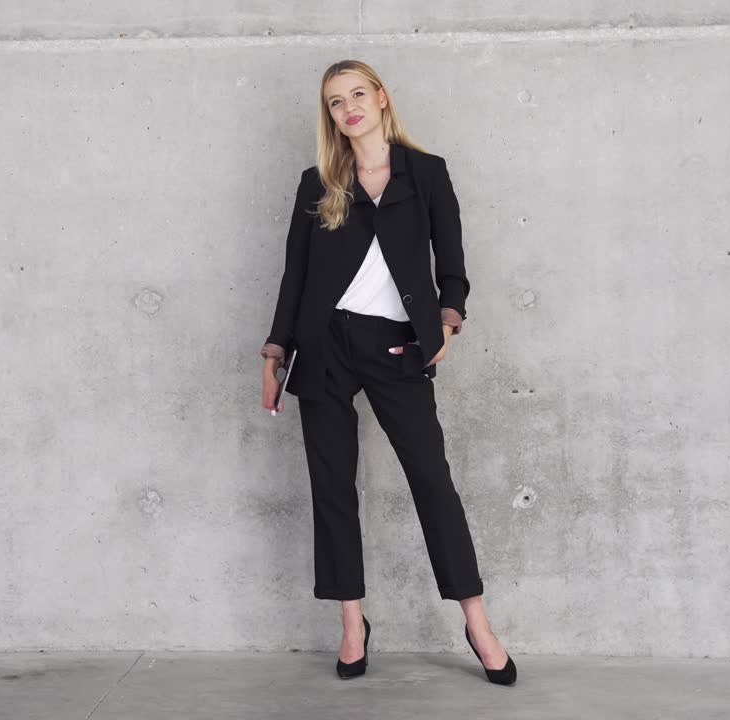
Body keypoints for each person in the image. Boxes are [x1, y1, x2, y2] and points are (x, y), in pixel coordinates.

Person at [258, 59, 516, 686]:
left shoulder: (425, 174)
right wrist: (275, 353)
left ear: (379, 99)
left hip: (397, 344)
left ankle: (477, 621)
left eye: (356, 95)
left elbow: (450, 259)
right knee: (333, 487)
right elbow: (296, 274)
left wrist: (448, 323)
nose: (347, 108)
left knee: (432, 480)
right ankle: (352, 622)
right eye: (334, 102)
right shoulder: (317, 181)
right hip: (324, 344)